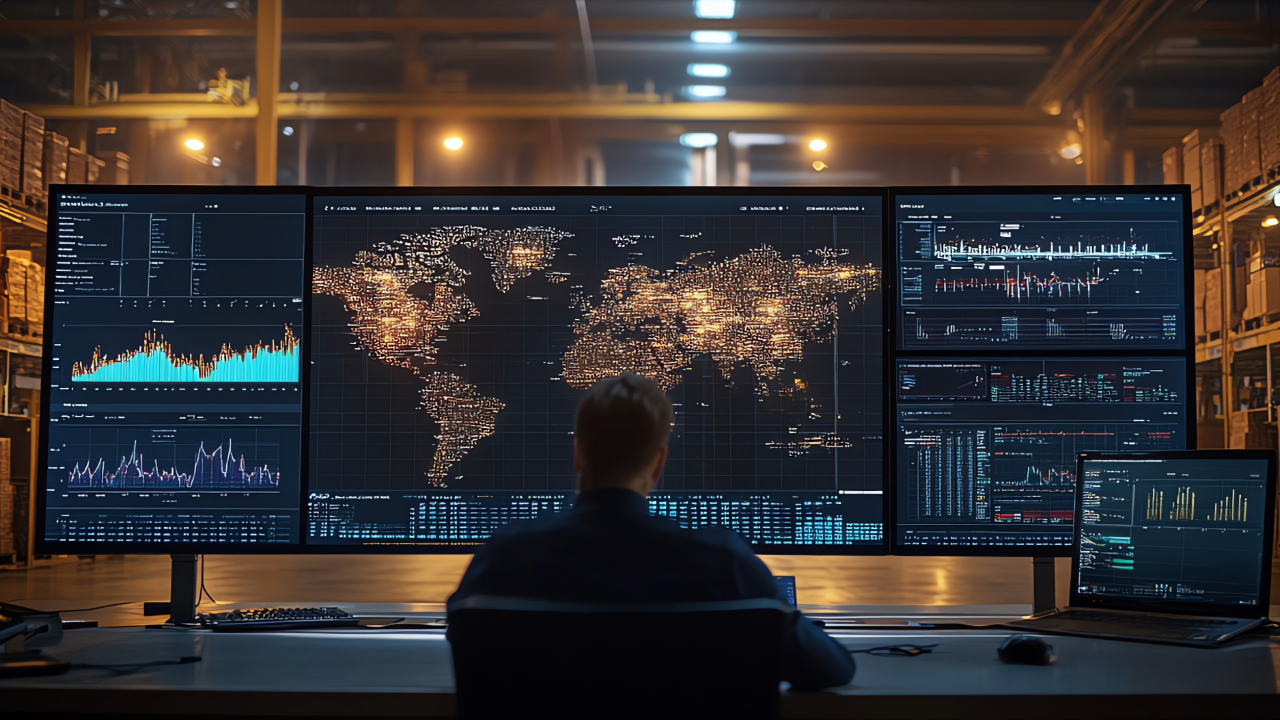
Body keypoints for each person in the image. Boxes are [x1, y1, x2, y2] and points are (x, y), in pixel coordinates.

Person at [446, 373, 855, 690]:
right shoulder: (724, 563)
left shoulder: (503, 559)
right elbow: (831, 669)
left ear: (578, 454)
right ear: (658, 463)